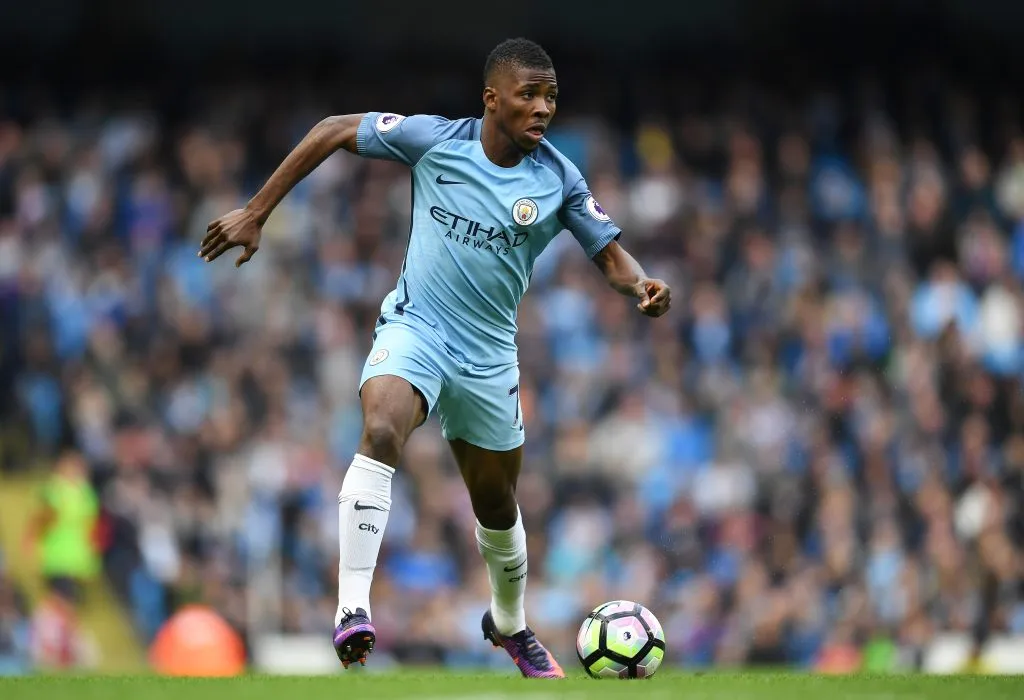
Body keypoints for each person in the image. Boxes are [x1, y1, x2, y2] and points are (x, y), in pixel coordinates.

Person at [200, 37, 671, 678]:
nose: (543, 108)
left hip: (488, 358)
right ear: (492, 99)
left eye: (551, 97)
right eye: (529, 94)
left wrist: (640, 286)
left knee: (497, 507)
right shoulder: (435, 140)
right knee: (381, 427)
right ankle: (351, 612)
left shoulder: (559, 179)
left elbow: (612, 256)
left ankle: (509, 624)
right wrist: (257, 211)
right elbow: (335, 129)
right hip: (416, 328)